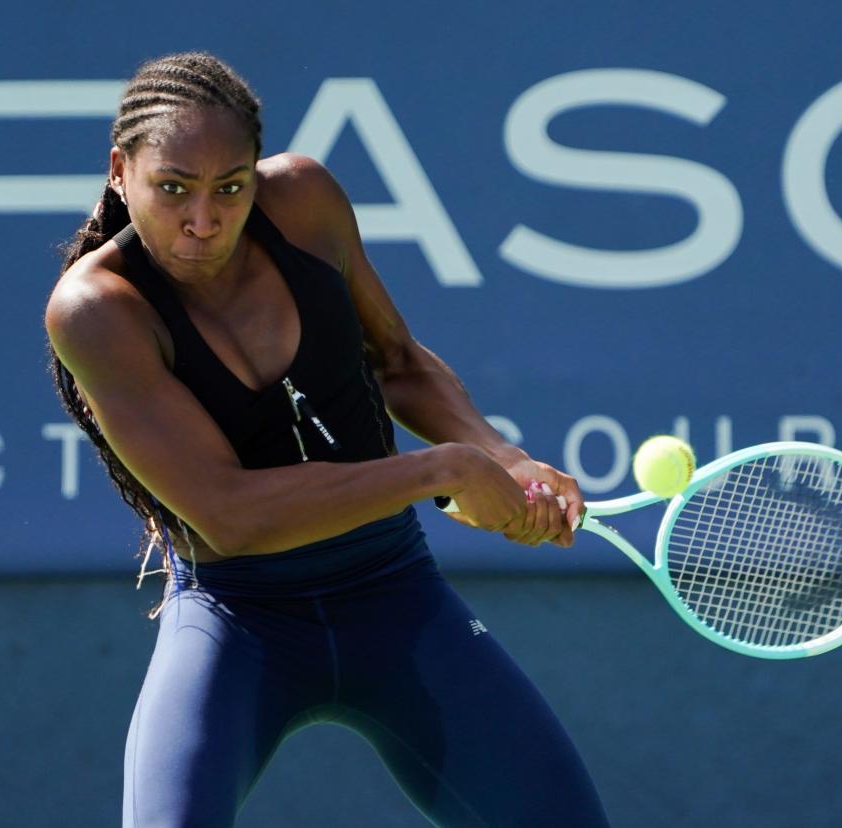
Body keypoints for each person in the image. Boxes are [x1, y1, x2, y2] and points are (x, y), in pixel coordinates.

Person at [45, 52, 609, 828]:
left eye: (230, 188)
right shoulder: (96, 311)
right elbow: (231, 514)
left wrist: (503, 459)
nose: (203, 221)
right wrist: (445, 468)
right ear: (120, 170)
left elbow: (400, 364)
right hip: (236, 620)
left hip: (395, 595)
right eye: (173, 188)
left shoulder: (304, 200)